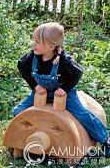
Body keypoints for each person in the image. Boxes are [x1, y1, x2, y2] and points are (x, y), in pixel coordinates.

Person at [12, 22, 110, 157]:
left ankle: (105, 141)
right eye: (34, 40)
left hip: (63, 94)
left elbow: (77, 73)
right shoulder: (31, 57)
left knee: (82, 115)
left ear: (51, 46)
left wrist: (64, 89)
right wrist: (34, 85)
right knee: (18, 111)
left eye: (38, 42)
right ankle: (24, 140)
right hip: (41, 92)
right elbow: (21, 66)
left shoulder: (64, 61)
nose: (33, 44)